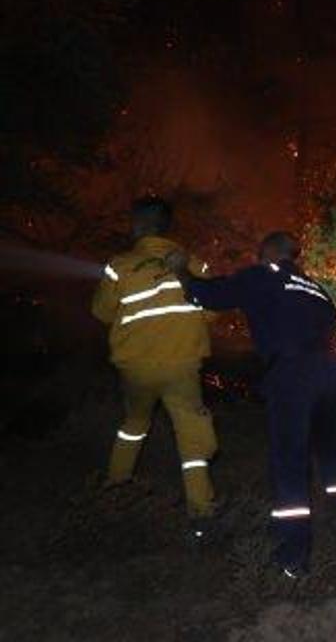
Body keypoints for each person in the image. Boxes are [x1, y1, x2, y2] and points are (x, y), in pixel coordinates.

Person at [166, 231, 336, 577]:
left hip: (291, 374)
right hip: (329, 373)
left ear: (270, 253)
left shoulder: (261, 275)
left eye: (259, 254)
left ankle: (292, 556)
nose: (256, 259)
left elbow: (208, 294)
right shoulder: (313, 286)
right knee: (332, 452)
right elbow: (333, 326)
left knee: (289, 462)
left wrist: (182, 271)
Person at [91, 195, 219, 538]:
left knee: (133, 425)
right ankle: (202, 515)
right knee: (192, 438)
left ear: (139, 225)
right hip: (182, 365)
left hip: (136, 367)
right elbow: (212, 311)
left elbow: (102, 313)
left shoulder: (119, 265)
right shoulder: (195, 264)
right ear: (166, 226)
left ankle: (115, 492)